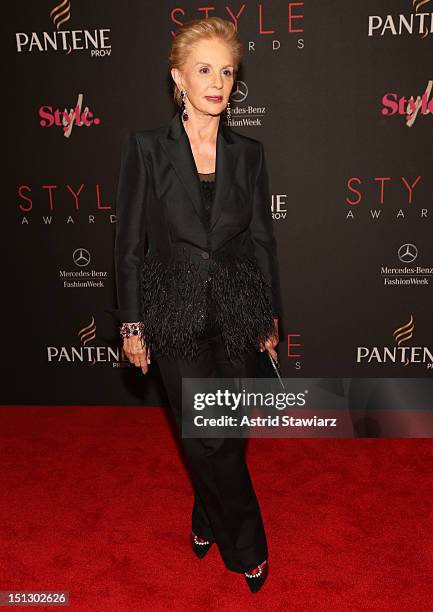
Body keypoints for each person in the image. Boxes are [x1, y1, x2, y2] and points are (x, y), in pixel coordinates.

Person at [108, 17, 282, 593]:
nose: (218, 81)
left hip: (237, 311)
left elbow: (261, 239)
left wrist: (269, 316)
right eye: (204, 69)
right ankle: (249, 545)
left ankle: (206, 511)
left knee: (227, 433)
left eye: (227, 71)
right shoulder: (147, 150)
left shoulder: (250, 154)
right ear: (179, 78)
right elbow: (128, 244)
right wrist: (132, 322)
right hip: (173, 312)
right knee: (205, 436)